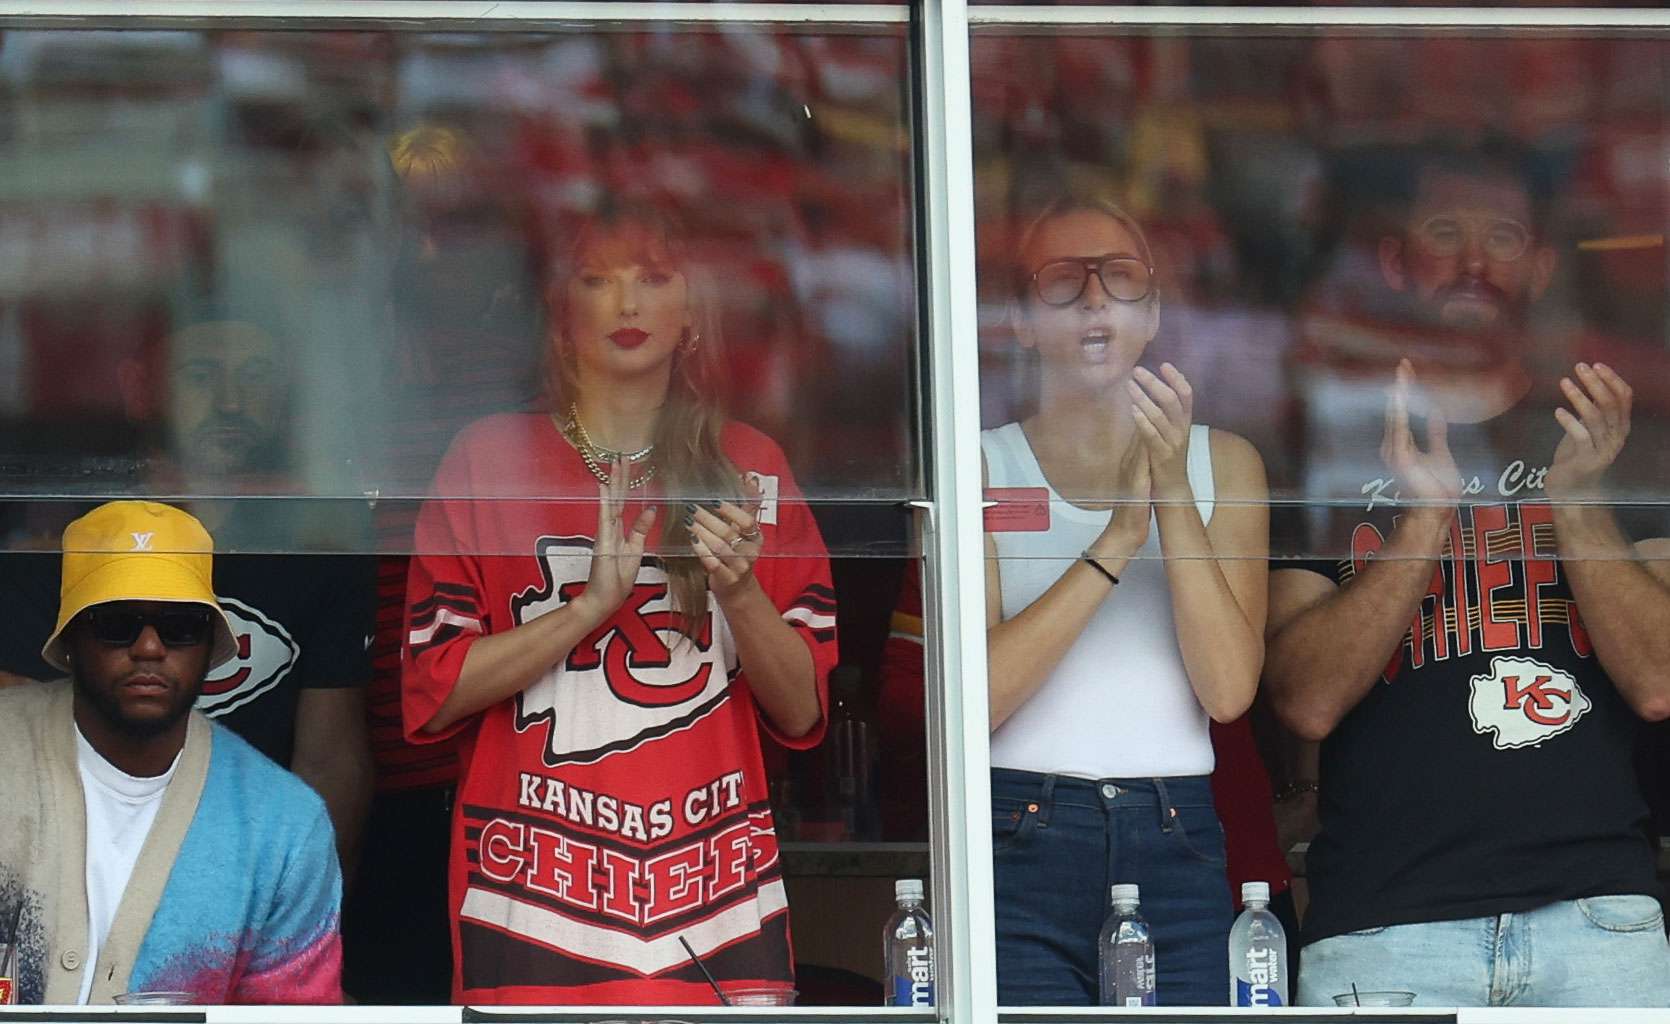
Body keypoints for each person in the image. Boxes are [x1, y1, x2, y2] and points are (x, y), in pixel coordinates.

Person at [401, 199, 838, 1004]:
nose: (627, 303)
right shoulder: (487, 458)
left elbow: (805, 710)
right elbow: (432, 691)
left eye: (654, 278)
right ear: (560, 316)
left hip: (717, 900)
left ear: (693, 316)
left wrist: (738, 591)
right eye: (595, 280)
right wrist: (585, 608)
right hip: (530, 893)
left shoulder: (750, 464)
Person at [1265, 140, 1670, 1007]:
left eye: (1506, 236)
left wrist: (1577, 501)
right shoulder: (1327, 443)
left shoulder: (1610, 437)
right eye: (1445, 231)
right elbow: (1303, 698)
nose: (1476, 258)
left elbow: (1662, 681)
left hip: (1597, 920)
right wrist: (1426, 514)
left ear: (1544, 265)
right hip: (1386, 927)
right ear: (1397, 260)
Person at [982, 192, 1269, 1005]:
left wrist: (1172, 490)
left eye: (1121, 277)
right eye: (1064, 282)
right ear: (1021, 320)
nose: (1097, 299)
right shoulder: (980, 463)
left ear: (1154, 314)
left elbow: (1228, 690)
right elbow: (977, 701)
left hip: (1174, 824)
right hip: (1021, 820)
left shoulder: (1227, 464)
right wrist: (1113, 542)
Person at [0, 318, 375, 877]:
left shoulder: (317, 543)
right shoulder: (71, 535)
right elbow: (17, 745)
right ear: (140, 389)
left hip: (247, 873)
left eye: (256, 376)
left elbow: (330, 760)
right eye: (200, 374)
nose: (230, 402)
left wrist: (300, 913)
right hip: (81, 873)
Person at [0, 501, 342, 1005]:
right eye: (118, 622)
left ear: (212, 646)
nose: (150, 648)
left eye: (180, 626)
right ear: (70, 638)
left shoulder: (284, 826)